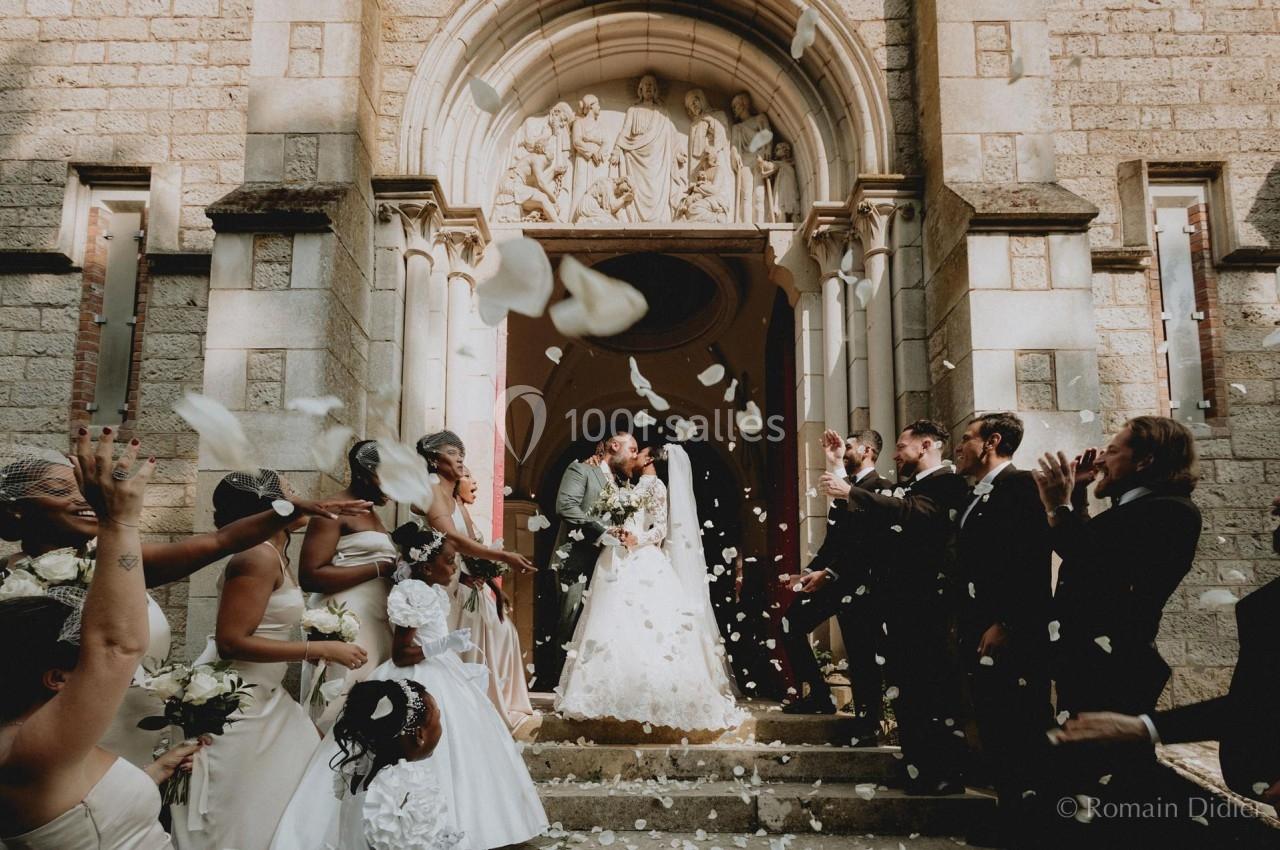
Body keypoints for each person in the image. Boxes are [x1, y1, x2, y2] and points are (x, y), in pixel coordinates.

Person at [0, 431, 369, 767]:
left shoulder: (119, 561)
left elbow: (219, 542)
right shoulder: (10, 582)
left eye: (85, 488)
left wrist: (288, 508)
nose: (84, 500)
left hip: (138, 734)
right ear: (18, 508)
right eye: (62, 490)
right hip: (58, 750)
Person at [270, 524, 547, 850]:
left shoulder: (429, 590)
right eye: (448, 561)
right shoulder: (412, 592)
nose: (454, 567)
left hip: (442, 670)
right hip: (419, 672)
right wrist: (442, 645)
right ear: (427, 566)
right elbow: (402, 654)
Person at [0, 430, 185, 849]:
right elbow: (115, 645)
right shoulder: (31, 752)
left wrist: (153, 774)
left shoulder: (40, 750)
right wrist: (118, 521)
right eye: (77, 653)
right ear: (55, 677)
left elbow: (81, 807)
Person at [170, 470, 367, 850]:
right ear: (270, 506)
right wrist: (319, 649)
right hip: (235, 699)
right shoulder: (257, 557)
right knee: (231, 807)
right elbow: (231, 642)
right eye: (290, 491)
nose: (300, 496)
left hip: (267, 694)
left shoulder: (275, 553)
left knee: (293, 785)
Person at [821, 419, 971, 795]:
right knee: (906, 689)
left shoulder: (947, 483)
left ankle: (946, 770)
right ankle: (917, 765)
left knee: (933, 688)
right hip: (898, 605)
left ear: (925, 446)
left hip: (929, 606)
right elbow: (864, 532)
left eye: (903, 446)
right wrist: (842, 481)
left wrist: (851, 492)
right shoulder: (906, 488)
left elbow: (916, 512)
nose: (897, 453)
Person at [556, 444, 746, 732]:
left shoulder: (656, 486)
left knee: (648, 625)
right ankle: (603, 689)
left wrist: (638, 539)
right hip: (614, 558)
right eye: (632, 450)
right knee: (609, 622)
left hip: (641, 558)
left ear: (648, 459)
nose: (634, 456)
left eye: (639, 452)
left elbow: (660, 529)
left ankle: (652, 692)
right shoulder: (624, 483)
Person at [1053, 577, 1279, 807]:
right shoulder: (1265, 602)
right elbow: (1256, 703)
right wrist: (1143, 727)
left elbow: (1258, 704)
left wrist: (1143, 727)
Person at [1034, 416, 1202, 716]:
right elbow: (1096, 549)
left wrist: (1058, 506)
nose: (1099, 460)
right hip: (1088, 659)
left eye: (1112, 451)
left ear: (1144, 461)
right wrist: (1078, 499)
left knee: (1112, 758)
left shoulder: (1171, 511)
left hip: (1114, 665)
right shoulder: (1132, 508)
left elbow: (1093, 563)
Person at [952, 412, 1053, 843]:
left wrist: (1006, 622)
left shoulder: (1019, 485)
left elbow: (1028, 559)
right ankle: (1009, 809)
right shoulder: (979, 493)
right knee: (995, 723)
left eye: (966, 439)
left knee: (1019, 724)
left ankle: (1027, 822)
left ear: (991, 442)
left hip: (1008, 630)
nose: (959, 447)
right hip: (979, 626)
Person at [778, 428, 887, 740]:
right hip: (831, 582)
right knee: (790, 624)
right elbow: (835, 540)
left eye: (850, 446)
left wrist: (830, 573)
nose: (845, 449)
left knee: (861, 652)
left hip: (860, 585)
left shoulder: (881, 489)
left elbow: (866, 544)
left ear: (867, 451)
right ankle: (820, 698)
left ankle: (869, 724)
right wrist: (810, 571)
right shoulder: (846, 488)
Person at [299, 440, 398, 732]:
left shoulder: (373, 514)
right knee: (339, 702)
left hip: (376, 620)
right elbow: (311, 575)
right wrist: (379, 568)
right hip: (347, 619)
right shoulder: (333, 511)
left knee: (371, 704)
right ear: (365, 473)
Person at [546, 430, 639, 684]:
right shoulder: (582, 470)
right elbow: (566, 506)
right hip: (576, 561)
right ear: (613, 445)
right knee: (571, 623)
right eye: (632, 450)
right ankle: (560, 687)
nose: (634, 457)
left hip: (609, 565)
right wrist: (602, 532)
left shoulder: (622, 484)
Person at [447, 466, 535, 730]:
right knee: (483, 640)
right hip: (461, 591)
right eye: (468, 477)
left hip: (480, 589)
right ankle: (474, 705)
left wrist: (497, 590)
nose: (475, 482)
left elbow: (478, 561)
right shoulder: (448, 510)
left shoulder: (466, 514)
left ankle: (502, 699)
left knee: (508, 632)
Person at [330, 679, 462, 850]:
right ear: (419, 734)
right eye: (438, 718)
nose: (441, 726)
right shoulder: (405, 796)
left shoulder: (359, 774)